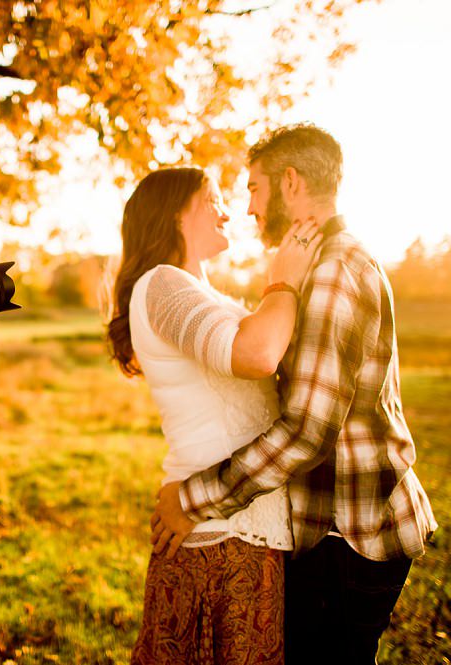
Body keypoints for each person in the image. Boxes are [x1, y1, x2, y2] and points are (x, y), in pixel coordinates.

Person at [153, 124, 438, 665]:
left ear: (290, 183)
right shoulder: (315, 263)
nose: (249, 208)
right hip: (330, 527)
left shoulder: (335, 271)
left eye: (254, 189)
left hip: (352, 534)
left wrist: (191, 500)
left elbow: (308, 430)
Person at [108, 166, 323, 664]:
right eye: (213, 198)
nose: (227, 210)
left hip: (238, 526)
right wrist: (284, 282)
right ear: (175, 213)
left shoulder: (198, 292)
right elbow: (255, 355)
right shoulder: (161, 284)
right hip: (216, 539)